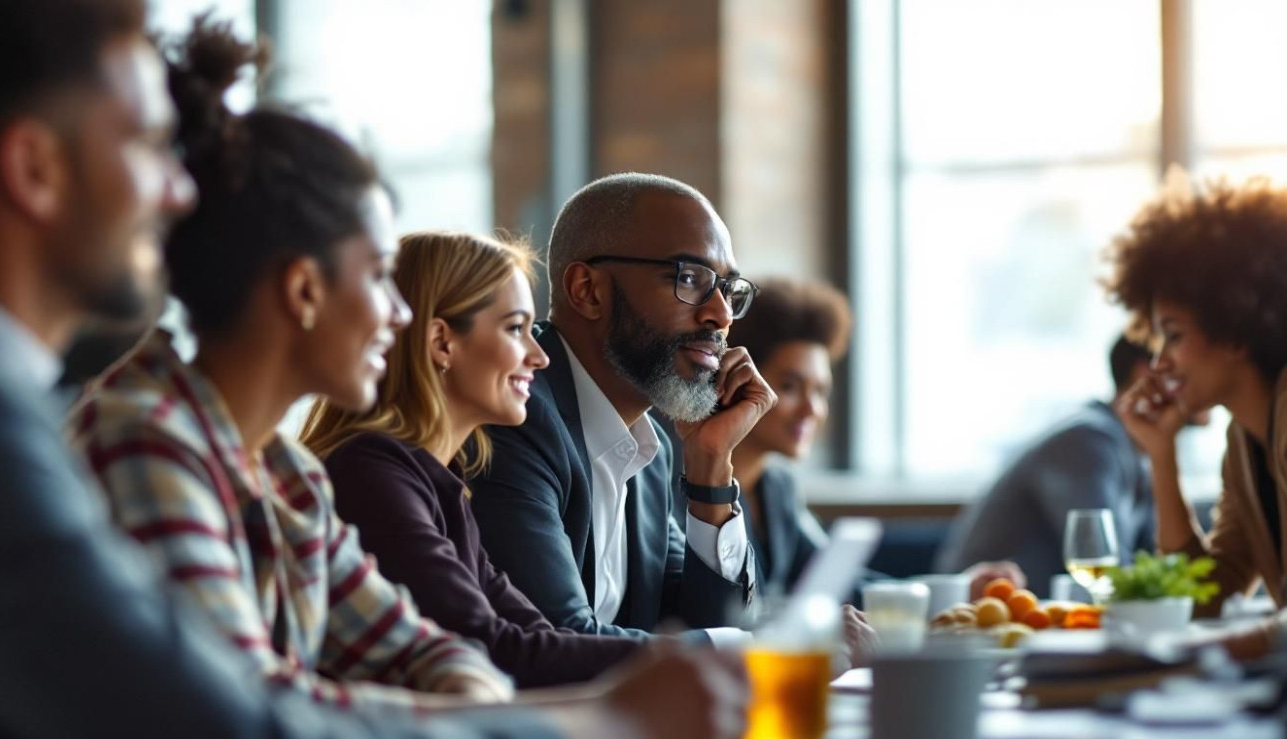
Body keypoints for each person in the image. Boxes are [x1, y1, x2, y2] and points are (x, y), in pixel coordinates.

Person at [0, 2, 746, 739]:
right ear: (35, 168)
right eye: (149, 146)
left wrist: (551, 721)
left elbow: (366, 677)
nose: (179, 190)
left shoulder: (257, 462)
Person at [69, 19, 514, 710]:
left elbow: (423, 649)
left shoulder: (288, 474)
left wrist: (465, 696)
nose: (399, 314)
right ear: (305, 289)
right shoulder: (143, 440)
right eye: (377, 277)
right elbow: (253, 725)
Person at [466, 172, 876, 669]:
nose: (721, 315)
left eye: (727, 288)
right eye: (689, 278)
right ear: (587, 289)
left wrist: (710, 467)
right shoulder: (516, 416)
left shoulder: (651, 451)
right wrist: (779, 645)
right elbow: (554, 645)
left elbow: (715, 627)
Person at [301, 231, 645, 687]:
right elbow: (493, 649)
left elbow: (537, 635)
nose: (539, 356)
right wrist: (718, 654)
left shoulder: (437, 481)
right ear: (442, 343)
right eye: (515, 328)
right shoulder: (372, 476)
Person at [725, 277, 1025, 599]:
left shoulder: (776, 487)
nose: (812, 409)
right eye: (790, 387)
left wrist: (961, 590)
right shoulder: (694, 488)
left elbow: (841, 586)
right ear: (741, 379)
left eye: (821, 391)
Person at [1107, 172, 1287, 660]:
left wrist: (1183, 661)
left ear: (1236, 329)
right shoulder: (1245, 441)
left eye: (1175, 335)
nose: (1160, 360)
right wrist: (1162, 458)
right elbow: (1201, 601)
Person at [934, 336, 1162, 597]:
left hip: (1044, 625)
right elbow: (1108, 569)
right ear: (1145, 372)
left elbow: (1152, 565)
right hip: (982, 620)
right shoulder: (1086, 442)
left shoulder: (1135, 454)